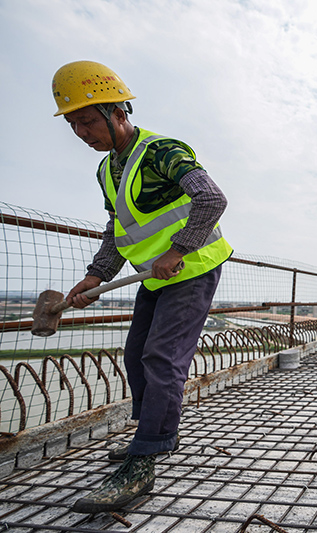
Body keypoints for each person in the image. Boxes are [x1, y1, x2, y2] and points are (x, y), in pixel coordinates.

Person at [52, 61, 233, 513]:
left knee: (161, 357)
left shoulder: (162, 151)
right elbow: (119, 228)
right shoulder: (106, 170)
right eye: (74, 124)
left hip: (191, 268)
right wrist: (95, 277)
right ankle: (148, 434)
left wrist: (179, 248)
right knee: (136, 353)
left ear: (118, 113)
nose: (81, 132)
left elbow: (212, 198)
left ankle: (145, 458)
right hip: (156, 274)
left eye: (88, 120)